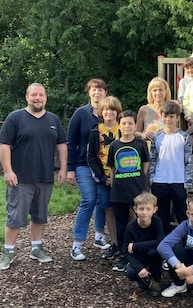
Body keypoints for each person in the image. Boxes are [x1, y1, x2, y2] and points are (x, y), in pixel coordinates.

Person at [0, 83, 67, 270]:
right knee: (15, 216)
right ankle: (8, 251)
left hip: (44, 177)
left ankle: (36, 248)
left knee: (40, 215)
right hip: (20, 178)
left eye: (41, 95)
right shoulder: (15, 118)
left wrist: (63, 169)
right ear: (27, 97)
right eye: (34, 95)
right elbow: (3, 145)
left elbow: (62, 145)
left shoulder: (53, 119)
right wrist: (7, 170)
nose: (37, 98)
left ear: (46, 98)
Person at [67, 79, 111, 255]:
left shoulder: (109, 113)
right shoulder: (80, 114)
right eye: (94, 89)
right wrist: (70, 169)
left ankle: (99, 235)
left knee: (102, 201)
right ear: (89, 92)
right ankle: (77, 244)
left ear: (105, 93)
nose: (97, 93)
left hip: (104, 167)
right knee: (89, 200)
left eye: (101, 89)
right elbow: (71, 142)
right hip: (83, 164)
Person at [77, 96, 123, 261]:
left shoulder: (123, 128)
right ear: (101, 112)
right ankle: (115, 243)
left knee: (129, 209)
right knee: (108, 209)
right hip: (104, 178)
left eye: (112, 110)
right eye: (106, 110)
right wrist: (104, 178)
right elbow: (91, 157)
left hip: (123, 177)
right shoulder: (95, 131)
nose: (109, 113)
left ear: (118, 112)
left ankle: (129, 243)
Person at [107, 110, 150, 270]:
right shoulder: (114, 145)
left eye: (130, 123)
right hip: (119, 191)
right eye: (124, 123)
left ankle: (139, 253)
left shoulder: (140, 144)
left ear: (134, 125)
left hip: (137, 191)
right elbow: (112, 168)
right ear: (119, 125)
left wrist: (139, 178)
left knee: (140, 222)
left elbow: (145, 163)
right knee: (121, 225)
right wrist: (114, 184)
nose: (127, 126)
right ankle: (124, 255)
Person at [149, 101, 193, 235]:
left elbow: (189, 160)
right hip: (159, 181)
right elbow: (153, 158)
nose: (168, 119)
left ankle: (186, 239)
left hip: (179, 180)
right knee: (162, 216)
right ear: (162, 117)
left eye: (172, 116)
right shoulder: (156, 136)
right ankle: (163, 243)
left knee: (181, 213)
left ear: (177, 117)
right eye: (165, 116)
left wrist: (188, 181)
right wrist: (151, 179)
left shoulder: (184, 137)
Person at [121, 192, 164, 297]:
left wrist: (136, 246)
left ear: (154, 210)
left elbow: (160, 242)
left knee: (155, 253)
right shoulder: (131, 227)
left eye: (148, 209)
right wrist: (139, 267)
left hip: (151, 253)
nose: (144, 212)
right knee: (131, 272)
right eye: (141, 209)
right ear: (135, 209)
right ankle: (144, 280)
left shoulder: (157, 222)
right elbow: (125, 251)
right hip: (139, 256)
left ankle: (156, 279)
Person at [136, 77, 171, 143]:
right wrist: (143, 135)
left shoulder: (170, 108)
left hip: (166, 145)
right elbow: (136, 132)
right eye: (155, 90)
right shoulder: (144, 109)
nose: (158, 93)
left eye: (160, 90)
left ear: (166, 91)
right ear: (150, 93)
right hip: (148, 146)